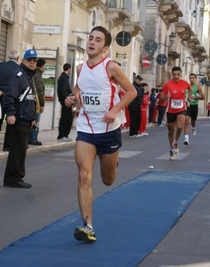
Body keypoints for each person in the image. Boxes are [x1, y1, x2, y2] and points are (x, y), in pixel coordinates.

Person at [64, 26, 137, 243]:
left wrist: (114, 110)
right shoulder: (80, 68)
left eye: (97, 40)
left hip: (109, 130)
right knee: (84, 176)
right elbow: (80, 89)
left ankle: (112, 165)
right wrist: (72, 97)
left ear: (105, 47)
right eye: (90, 38)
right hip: (86, 128)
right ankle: (88, 226)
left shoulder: (111, 67)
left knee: (107, 180)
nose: (92, 42)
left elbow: (131, 92)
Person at [3, 49, 39, 188]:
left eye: (34, 60)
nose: (32, 63)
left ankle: (12, 178)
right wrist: (10, 113)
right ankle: (14, 178)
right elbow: (9, 96)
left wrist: (32, 118)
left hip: (26, 119)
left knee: (20, 150)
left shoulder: (28, 77)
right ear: (23, 61)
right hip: (18, 118)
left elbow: (30, 100)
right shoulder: (18, 76)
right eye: (29, 60)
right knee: (18, 151)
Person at [159, 66, 192, 160]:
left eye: (178, 74)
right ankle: (171, 148)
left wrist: (188, 99)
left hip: (181, 108)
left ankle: (176, 141)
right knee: (171, 131)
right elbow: (161, 97)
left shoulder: (185, 83)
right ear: (172, 74)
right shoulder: (167, 84)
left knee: (180, 125)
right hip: (170, 110)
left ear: (180, 74)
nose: (176, 76)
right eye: (174, 75)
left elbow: (189, 90)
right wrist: (166, 97)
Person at [0, 50, 21, 151]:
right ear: (17, 58)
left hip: (0, 96)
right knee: (10, 120)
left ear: (9, 57)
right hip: (11, 97)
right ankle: (7, 145)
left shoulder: (0, 65)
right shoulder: (19, 68)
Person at [183, 73, 205, 145]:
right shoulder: (186, 86)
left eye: (193, 78)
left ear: (195, 79)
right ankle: (186, 139)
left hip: (194, 106)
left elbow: (203, 97)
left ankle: (193, 128)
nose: (191, 79)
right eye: (190, 78)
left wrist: (195, 97)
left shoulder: (198, 87)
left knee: (193, 122)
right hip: (187, 106)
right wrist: (186, 100)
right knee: (186, 121)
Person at [28, 58, 46, 145]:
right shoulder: (38, 75)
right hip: (37, 103)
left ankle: (31, 138)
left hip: (33, 101)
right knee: (36, 121)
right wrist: (42, 104)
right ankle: (33, 138)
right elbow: (39, 91)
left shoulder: (34, 73)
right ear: (42, 66)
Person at [57, 63, 73, 141]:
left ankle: (65, 135)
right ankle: (62, 135)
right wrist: (68, 98)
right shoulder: (63, 78)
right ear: (69, 69)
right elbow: (63, 91)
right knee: (65, 118)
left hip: (66, 100)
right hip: (65, 101)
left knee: (68, 117)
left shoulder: (64, 78)